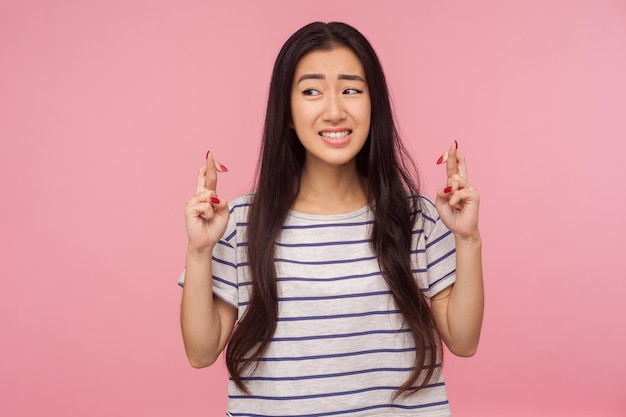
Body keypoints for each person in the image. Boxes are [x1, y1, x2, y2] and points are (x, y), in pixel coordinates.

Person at [179, 21, 483, 417]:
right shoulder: (239, 221)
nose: (335, 110)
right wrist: (199, 250)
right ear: (286, 112)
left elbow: (464, 341)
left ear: (374, 105)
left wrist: (468, 239)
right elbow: (201, 353)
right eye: (311, 91)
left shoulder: (416, 215)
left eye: (352, 90)